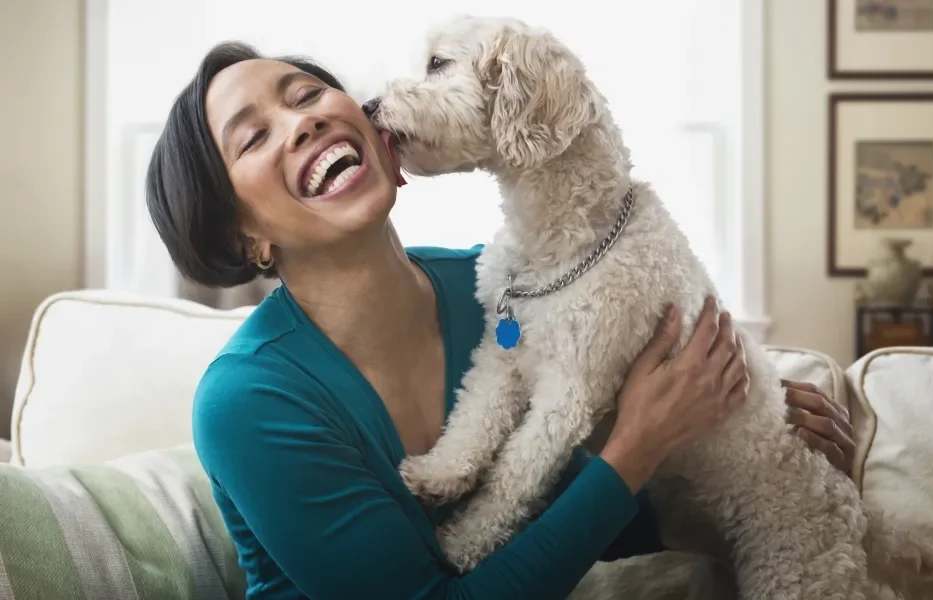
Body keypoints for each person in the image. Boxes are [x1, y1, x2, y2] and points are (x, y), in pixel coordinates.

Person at [145, 41, 857, 600]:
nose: (304, 120)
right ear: (244, 239)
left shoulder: (508, 289)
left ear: (389, 148)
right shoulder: (250, 401)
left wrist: (730, 426)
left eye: (307, 95)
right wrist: (640, 444)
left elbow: (579, 519)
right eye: (254, 137)